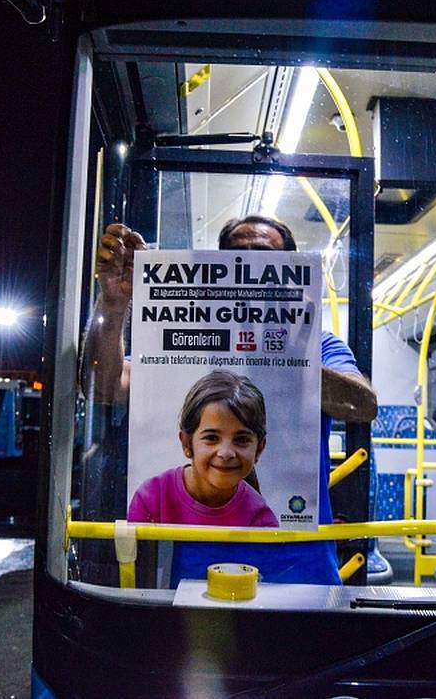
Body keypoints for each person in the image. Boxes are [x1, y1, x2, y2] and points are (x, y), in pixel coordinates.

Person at [83, 214, 377, 585]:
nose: (252, 267)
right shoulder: (188, 338)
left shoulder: (318, 344)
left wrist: (281, 350)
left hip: (301, 566)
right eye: (240, 256)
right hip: (196, 570)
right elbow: (104, 386)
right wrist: (113, 304)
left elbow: (362, 405)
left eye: (265, 259)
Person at [128, 370, 278, 527]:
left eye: (241, 440)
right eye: (212, 438)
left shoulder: (260, 520)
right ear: (186, 443)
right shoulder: (153, 498)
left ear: (260, 449)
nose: (226, 453)